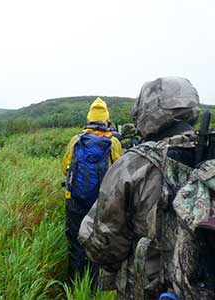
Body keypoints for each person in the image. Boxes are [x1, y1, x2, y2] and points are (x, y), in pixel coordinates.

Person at [78, 77, 205, 299]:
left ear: (147, 110)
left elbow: (104, 245)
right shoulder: (209, 156)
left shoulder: (134, 163)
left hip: (147, 290)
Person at [62, 97, 122, 284]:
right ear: (106, 120)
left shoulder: (76, 140)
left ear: (89, 119)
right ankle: (93, 287)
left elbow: (65, 168)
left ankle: (73, 286)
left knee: (75, 244)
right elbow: (119, 173)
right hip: (100, 204)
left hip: (74, 201)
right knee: (95, 245)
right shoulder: (113, 143)